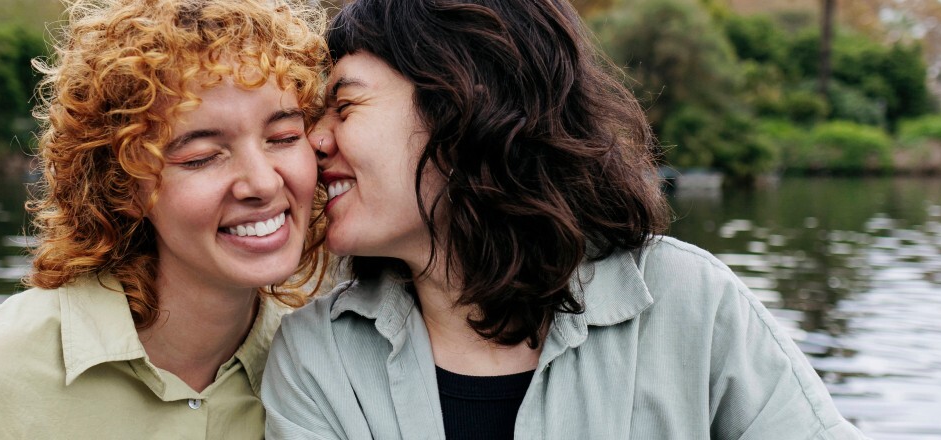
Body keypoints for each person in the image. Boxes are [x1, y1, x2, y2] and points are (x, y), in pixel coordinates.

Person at [261, 0, 867, 438]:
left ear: (464, 104)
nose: (313, 139)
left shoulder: (690, 305)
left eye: (344, 104)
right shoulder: (319, 358)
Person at [0, 0, 327, 437]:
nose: (263, 183)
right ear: (123, 187)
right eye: (202, 157)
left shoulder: (326, 367)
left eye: (284, 136)